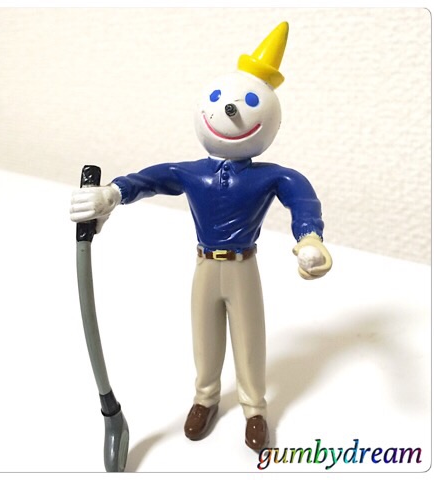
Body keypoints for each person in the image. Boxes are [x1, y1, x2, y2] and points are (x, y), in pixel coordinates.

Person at [70, 22, 332, 451]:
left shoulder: (272, 176)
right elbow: (151, 178)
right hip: (205, 266)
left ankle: (254, 408)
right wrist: (112, 193)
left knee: (250, 340)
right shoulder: (192, 173)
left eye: (248, 103)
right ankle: (205, 398)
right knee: (204, 337)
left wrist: (310, 238)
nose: (230, 110)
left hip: (243, 267)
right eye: (219, 100)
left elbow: (302, 199)